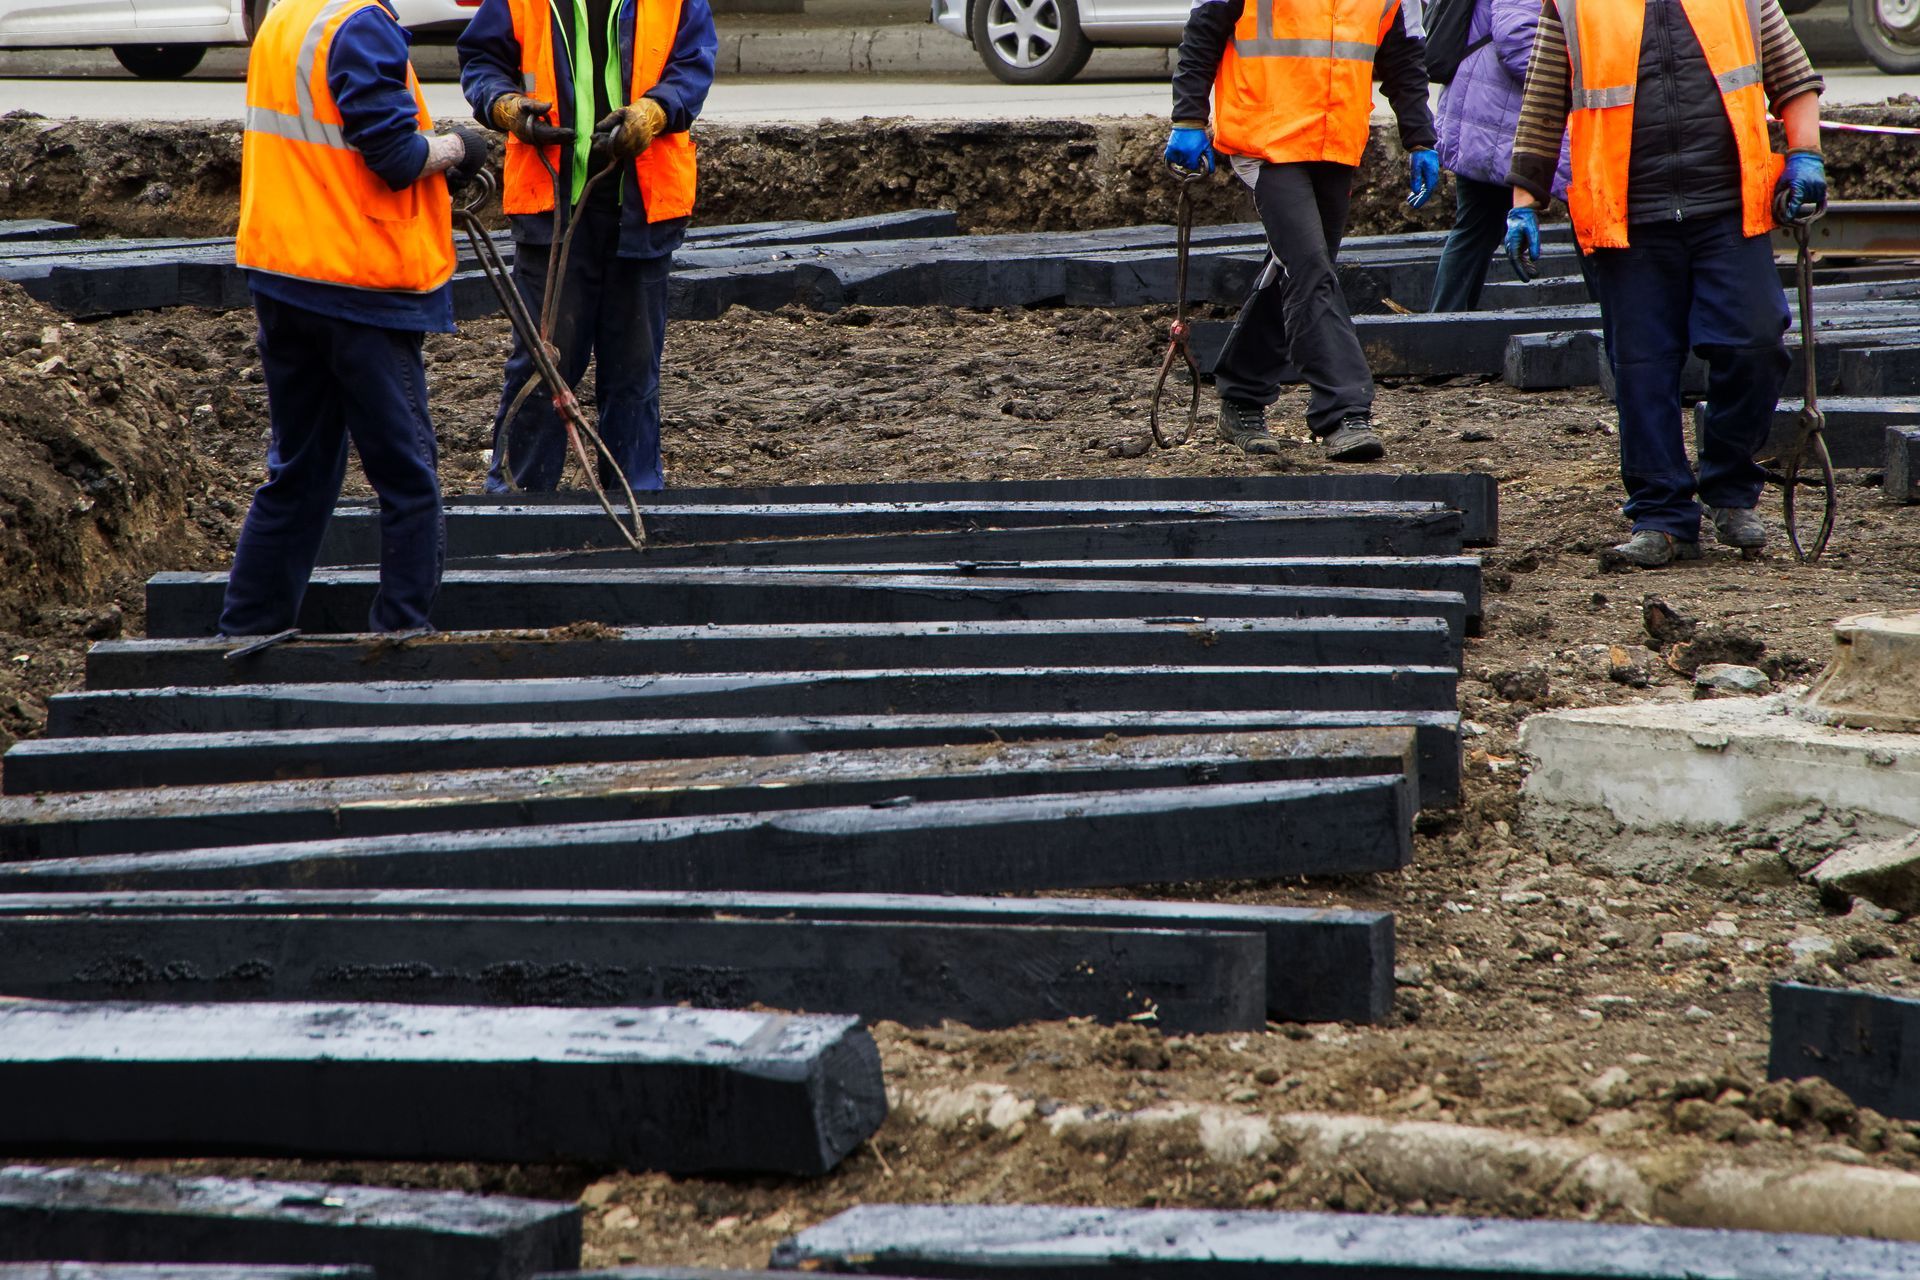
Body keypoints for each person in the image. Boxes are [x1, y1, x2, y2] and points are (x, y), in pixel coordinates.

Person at [1503, 0, 1826, 567]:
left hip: (1729, 210)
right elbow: (1544, 103)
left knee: (1754, 343)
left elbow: (1793, 78)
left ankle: (1729, 488)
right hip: (1628, 218)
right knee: (1643, 369)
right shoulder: (1576, 7)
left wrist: (1806, 156)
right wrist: (1524, 203)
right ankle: (1662, 515)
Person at [222, 0, 486, 637]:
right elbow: (394, 157)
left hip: (286, 274)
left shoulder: (288, 16)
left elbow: (330, 146)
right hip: (357, 285)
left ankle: (248, 631)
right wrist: (460, 147)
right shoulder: (360, 23)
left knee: (299, 471)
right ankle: (400, 635)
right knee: (407, 475)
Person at [458, 0, 717, 494]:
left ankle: (635, 496)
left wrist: (654, 112)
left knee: (633, 373)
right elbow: (481, 59)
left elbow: (693, 65)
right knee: (541, 369)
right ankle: (521, 502)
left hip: (640, 209)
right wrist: (505, 106)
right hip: (551, 210)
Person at [1167, 0, 1439, 463]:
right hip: (1264, 139)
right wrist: (1188, 119)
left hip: (1333, 140)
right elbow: (1204, 30)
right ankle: (1345, 412)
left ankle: (1241, 396)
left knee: (1299, 269)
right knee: (1310, 268)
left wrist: (1420, 137)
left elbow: (1403, 56)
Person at [1427, 0, 1572, 312]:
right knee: (1589, 229)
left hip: (1486, 108)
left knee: (1475, 228)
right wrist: (1580, 82)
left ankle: (1441, 325)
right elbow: (1518, 37)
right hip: (1499, 113)